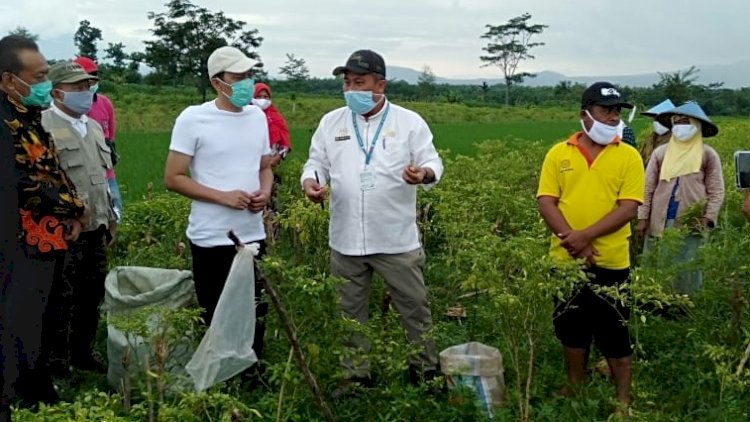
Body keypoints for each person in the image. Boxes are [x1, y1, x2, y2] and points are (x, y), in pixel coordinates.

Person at [301, 49, 444, 394]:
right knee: (349, 311)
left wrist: (421, 173)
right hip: (346, 238)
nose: (352, 90)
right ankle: (356, 375)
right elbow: (315, 162)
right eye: (347, 83)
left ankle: (425, 370)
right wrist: (311, 182)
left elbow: (433, 163)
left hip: (395, 239)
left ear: (381, 85)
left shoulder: (409, 122)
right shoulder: (331, 122)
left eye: (360, 82)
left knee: (414, 307)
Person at [537, 81, 644, 413]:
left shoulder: (628, 156)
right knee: (571, 329)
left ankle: (622, 401)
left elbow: (628, 208)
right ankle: (575, 386)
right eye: (605, 111)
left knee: (615, 332)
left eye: (616, 112)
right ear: (585, 115)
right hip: (565, 261)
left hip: (611, 261)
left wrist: (585, 237)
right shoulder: (559, 153)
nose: (612, 118)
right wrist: (573, 240)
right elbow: (546, 201)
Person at [164, 46, 272, 371]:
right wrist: (223, 197)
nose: (245, 84)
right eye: (237, 77)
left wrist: (264, 193)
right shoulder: (194, 119)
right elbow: (173, 177)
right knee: (216, 312)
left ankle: (252, 374)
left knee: (255, 310)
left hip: (252, 234)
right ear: (217, 83)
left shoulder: (257, 116)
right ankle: (220, 379)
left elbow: (265, 166)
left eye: (248, 76)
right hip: (212, 236)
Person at [0, 35, 87, 416]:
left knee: (43, 315)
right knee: (19, 318)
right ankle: (19, 393)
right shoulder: (5, 125)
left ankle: (38, 385)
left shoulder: (31, 118)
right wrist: (72, 206)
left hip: (48, 236)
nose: (45, 85)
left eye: (46, 75)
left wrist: (72, 211)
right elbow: (24, 182)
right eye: (37, 77)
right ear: (8, 81)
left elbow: (52, 170)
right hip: (19, 240)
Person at [40, 61, 116, 374]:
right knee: (61, 298)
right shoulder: (42, 126)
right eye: (77, 87)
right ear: (57, 92)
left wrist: (113, 213)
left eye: (87, 86)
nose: (85, 92)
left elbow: (104, 175)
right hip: (64, 229)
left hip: (96, 225)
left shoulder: (93, 126)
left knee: (91, 293)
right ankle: (57, 362)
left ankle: (82, 353)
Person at [637, 102, 724, 296]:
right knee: (657, 259)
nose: (680, 126)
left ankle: (683, 303)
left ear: (696, 125)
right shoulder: (661, 153)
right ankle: (655, 300)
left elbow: (716, 191)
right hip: (659, 217)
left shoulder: (708, 154)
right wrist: (642, 217)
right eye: (677, 122)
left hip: (691, 219)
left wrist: (708, 217)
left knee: (687, 262)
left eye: (685, 122)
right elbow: (648, 187)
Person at [73, 56, 122, 223]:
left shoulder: (105, 103)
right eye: (87, 77)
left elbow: (110, 137)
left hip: (106, 174)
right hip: (80, 176)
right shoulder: (70, 105)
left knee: (114, 217)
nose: (91, 83)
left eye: (94, 77)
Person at [252, 82, 291, 164]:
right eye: (258, 97)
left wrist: (277, 157)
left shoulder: (276, 117)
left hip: (271, 162)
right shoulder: (245, 116)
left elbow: (285, 141)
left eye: (266, 97)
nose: (262, 100)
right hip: (250, 162)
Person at [638, 99, 675, 166]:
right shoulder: (650, 138)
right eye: (654, 119)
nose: (655, 122)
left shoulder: (675, 140)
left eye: (658, 119)